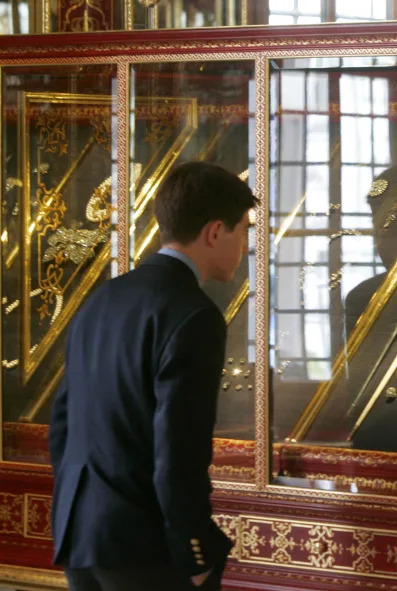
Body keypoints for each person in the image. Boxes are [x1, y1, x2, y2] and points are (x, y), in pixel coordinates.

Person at [49, 161, 257, 591]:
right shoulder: (193, 315)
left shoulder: (101, 300)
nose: (246, 245)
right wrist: (194, 549)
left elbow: (63, 426)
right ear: (215, 232)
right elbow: (178, 449)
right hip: (144, 546)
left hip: (80, 534)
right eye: (244, 231)